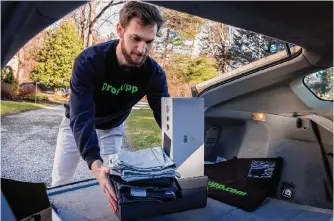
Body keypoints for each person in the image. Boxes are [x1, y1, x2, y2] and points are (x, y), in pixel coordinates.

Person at [51, 1, 169, 214]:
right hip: (75, 125)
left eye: (149, 41)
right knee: (61, 181)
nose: (142, 49)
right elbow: (82, 116)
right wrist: (94, 164)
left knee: (115, 180)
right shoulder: (89, 62)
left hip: (113, 127)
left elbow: (166, 117)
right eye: (136, 38)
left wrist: (183, 151)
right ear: (120, 30)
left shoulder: (154, 74)